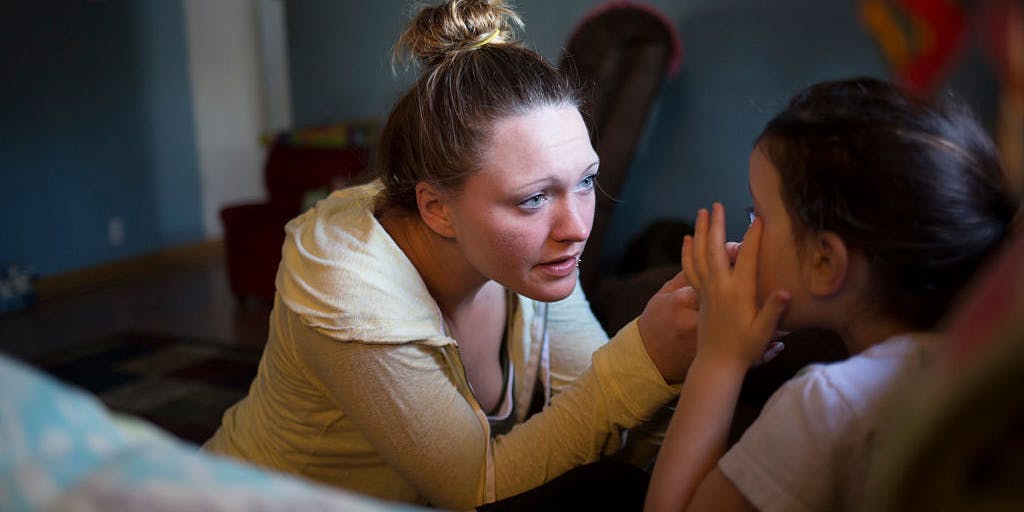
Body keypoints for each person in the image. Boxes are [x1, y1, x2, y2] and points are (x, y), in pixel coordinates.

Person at [203, 1, 701, 509]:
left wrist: (702, 355)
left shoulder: (523, 257)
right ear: (436, 209)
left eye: (586, 181)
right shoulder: (348, 289)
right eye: (533, 198)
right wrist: (646, 356)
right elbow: (477, 490)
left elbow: (614, 429)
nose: (576, 229)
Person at [644, 77, 1020, 512]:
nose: (743, 241)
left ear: (825, 263)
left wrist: (719, 356)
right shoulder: (980, 362)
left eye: (758, 215)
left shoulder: (826, 405)